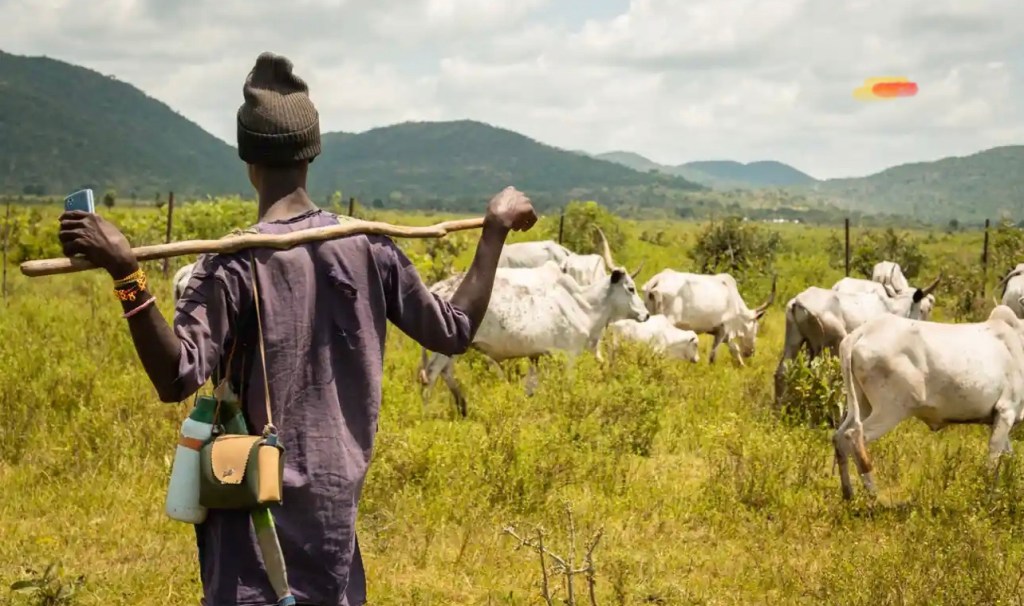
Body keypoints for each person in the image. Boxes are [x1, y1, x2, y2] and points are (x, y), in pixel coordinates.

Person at [56, 51, 537, 606]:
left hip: (251, 522)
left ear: (247, 159)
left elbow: (175, 377)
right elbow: (453, 329)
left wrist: (127, 276)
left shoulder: (230, 262)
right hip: (336, 520)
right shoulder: (369, 246)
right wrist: (494, 232)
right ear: (312, 152)